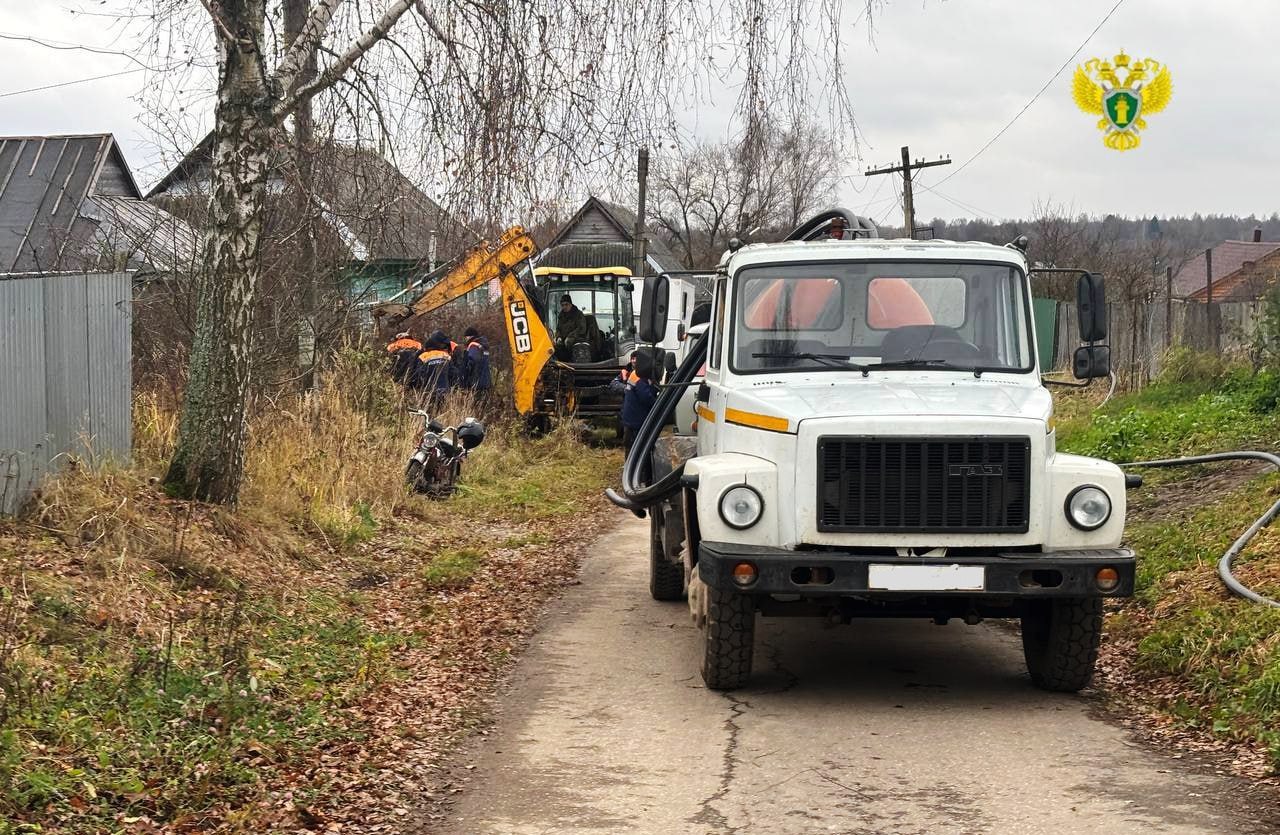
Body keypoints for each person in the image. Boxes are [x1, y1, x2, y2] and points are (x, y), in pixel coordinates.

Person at [618, 354, 658, 454]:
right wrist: (658, 404)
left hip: (629, 417)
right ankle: (637, 468)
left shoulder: (635, 373)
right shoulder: (639, 377)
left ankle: (629, 466)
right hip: (636, 419)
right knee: (638, 447)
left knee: (629, 447)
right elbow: (646, 398)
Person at [412, 331, 454, 399]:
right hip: (445, 393)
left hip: (428, 394)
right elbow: (453, 374)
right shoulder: (446, 356)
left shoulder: (423, 357)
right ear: (439, 344)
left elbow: (418, 376)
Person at [460, 326, 493, 399]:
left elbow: (473, 361)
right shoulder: (483, 346)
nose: (465, 340)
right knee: (484, 404)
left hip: (477, 382)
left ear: (470, 337)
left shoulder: (473, 346)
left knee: (477, 404)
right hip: (486, 380)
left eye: (466, 337)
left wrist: (467, 376)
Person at [554, 294, 590, 359]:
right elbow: (558, 328)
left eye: (566, 304)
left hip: (577, 339)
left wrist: (570, 336)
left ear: (571, 304)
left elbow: (582, 329)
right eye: (562, 305)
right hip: (564, 341)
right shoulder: (561, 316)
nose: (564, 307)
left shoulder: (578, 314)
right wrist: (558, 337)